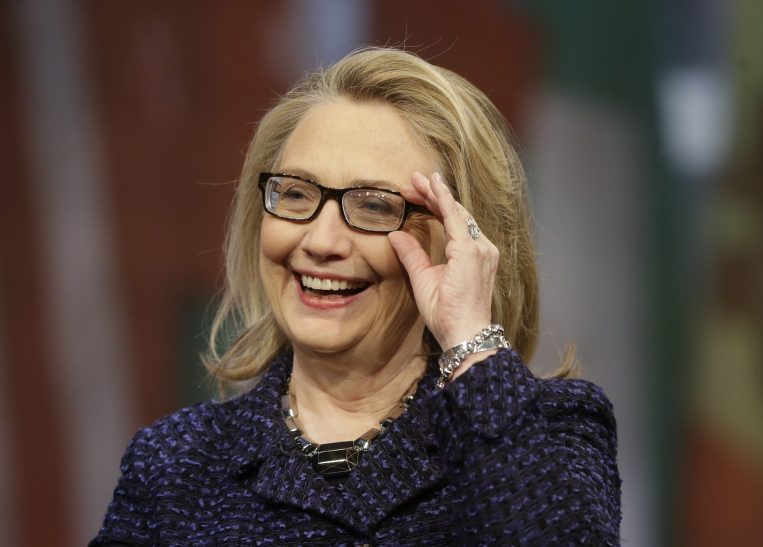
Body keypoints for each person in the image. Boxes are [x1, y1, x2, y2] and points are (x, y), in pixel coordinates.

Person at [91, 47, 621, 546]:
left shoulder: (550, 431)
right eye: (295, 195)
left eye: (373, 206)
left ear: (463, 238)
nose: (320, 242)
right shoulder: (173, 464)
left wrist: (470, 341)